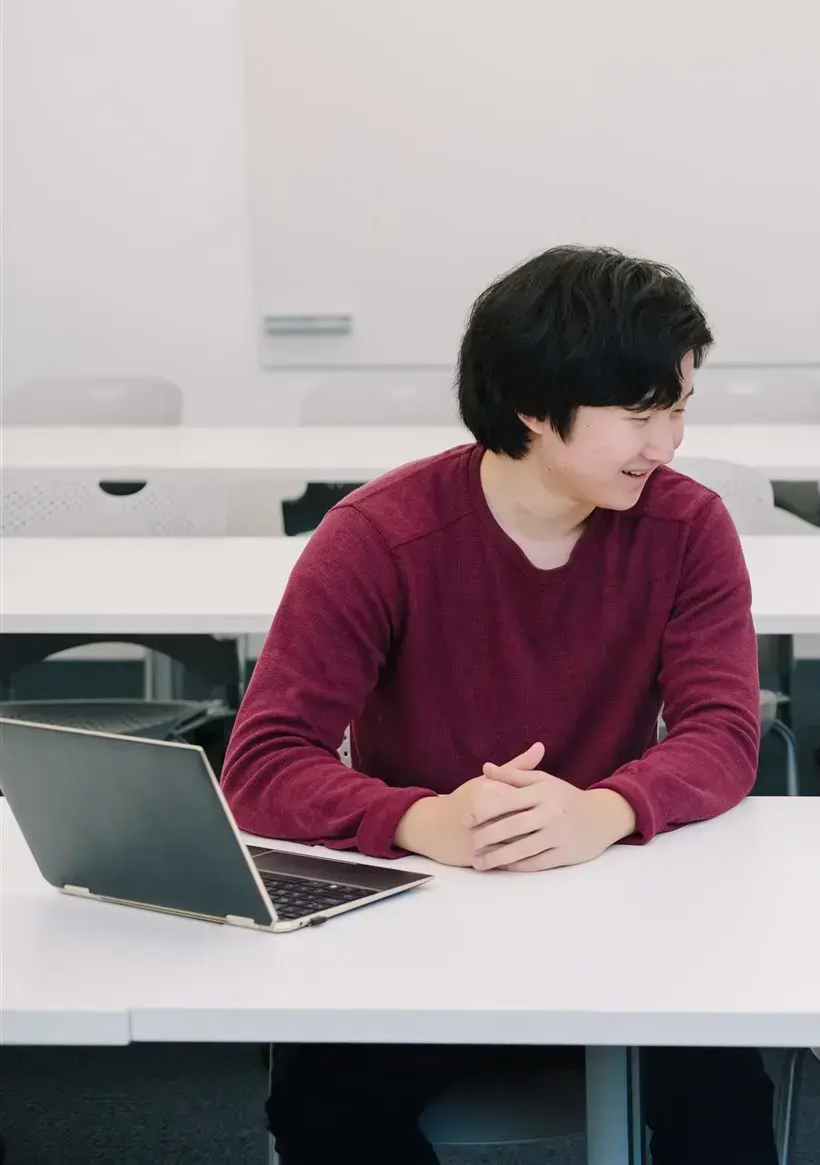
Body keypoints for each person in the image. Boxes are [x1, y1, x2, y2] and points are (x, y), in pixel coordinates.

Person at [221, 245, 778, 1165]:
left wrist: (604, 808)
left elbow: (723, 733)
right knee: (324, 1105)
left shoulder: (687, 527)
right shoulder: (381, 536)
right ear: (530, 407)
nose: (667, 443)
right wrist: (426, 820)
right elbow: (266, 759)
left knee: (722, 1096)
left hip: (620, 902)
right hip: (422, 911)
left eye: (678, 407)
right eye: (639, 413)